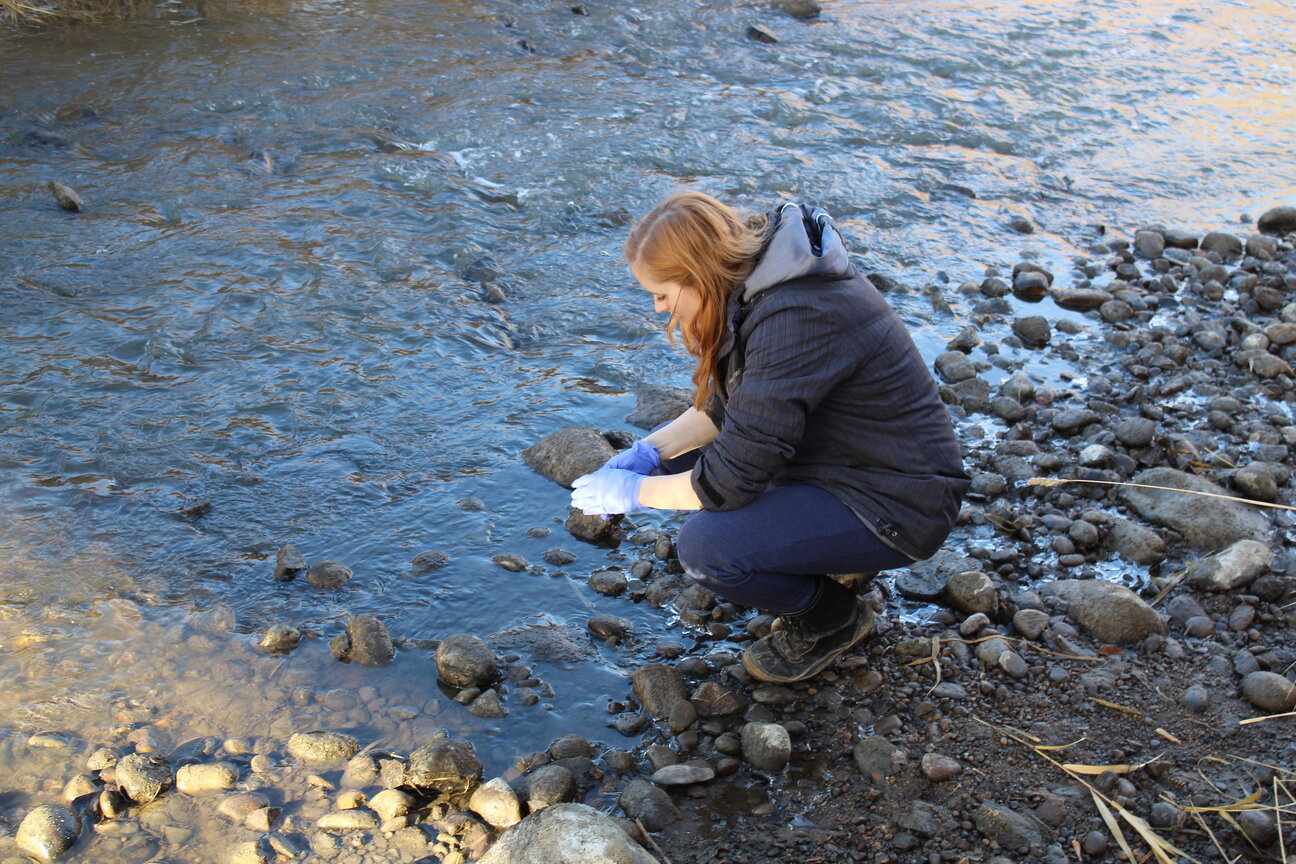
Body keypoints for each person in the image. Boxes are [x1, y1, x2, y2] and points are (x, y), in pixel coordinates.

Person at [571, 191, 968, 684]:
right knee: (673, 464)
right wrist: (649, 452)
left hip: (899, 504)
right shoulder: (763, 280)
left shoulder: (795, 315)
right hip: (848, 461)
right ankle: (818, 552)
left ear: (698, 276)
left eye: (662, 295)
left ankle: (831, 618)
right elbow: (728, 408)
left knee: (708, 548)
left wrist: (634, 494)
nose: (657, 309)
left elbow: (726, 484)